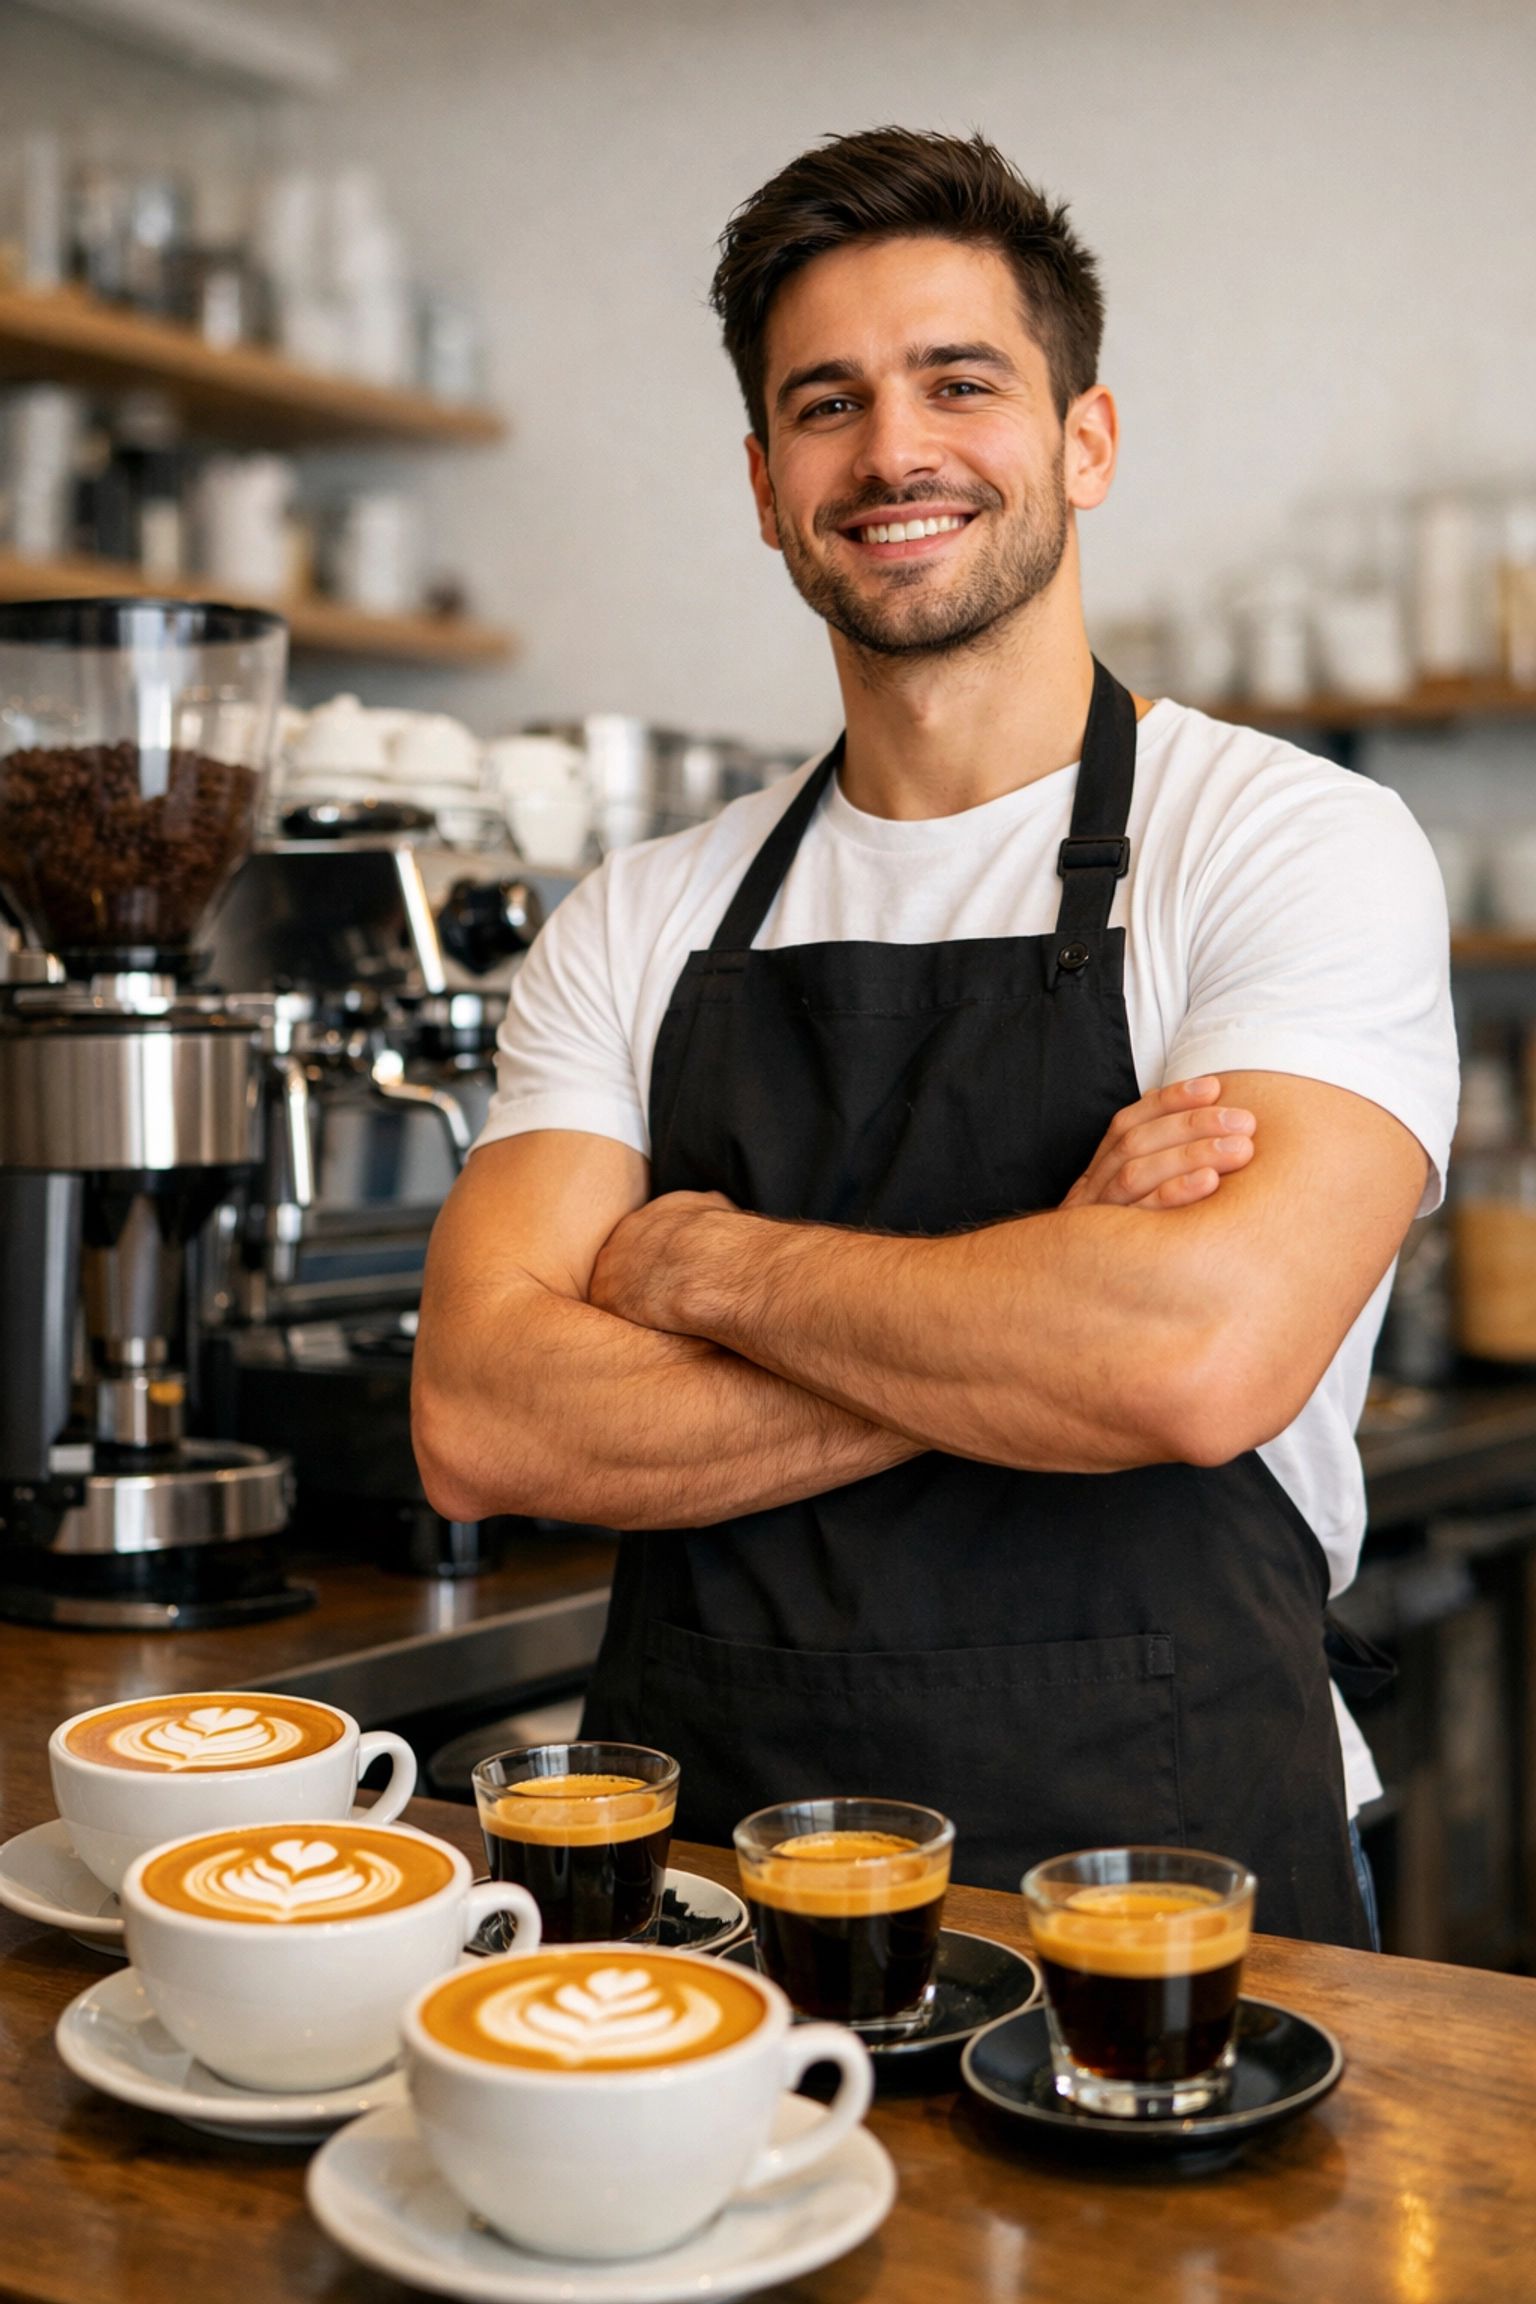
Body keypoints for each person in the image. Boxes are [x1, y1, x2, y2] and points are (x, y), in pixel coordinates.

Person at [414, 127, 1457, 1945]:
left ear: (1084, 440)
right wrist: (1046, 1295)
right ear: (762, 482)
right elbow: (484, 1420)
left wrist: (710, 1264)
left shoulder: (1288, 841)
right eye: (828, 405)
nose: (893, 450)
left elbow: (1190, 1365)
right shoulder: (641, 914)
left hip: (1165, 1905)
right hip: (702, 1921)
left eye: (958, 382)